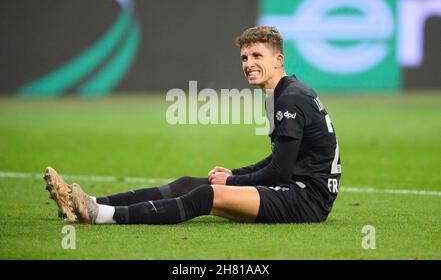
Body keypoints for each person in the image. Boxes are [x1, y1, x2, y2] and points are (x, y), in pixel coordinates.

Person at [44, 26, 341, 225]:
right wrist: (234, 174)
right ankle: (83, 200)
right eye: (244, 57)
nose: (248, 63)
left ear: (279, 59)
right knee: (190, 182)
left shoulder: (289, 99)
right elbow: (281, 157)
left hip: (306, 200)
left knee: (206, 195)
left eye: (256, 56)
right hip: (295, 188)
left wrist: (232, 182)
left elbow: (280, 171)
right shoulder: (282, 93)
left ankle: (99, 215)